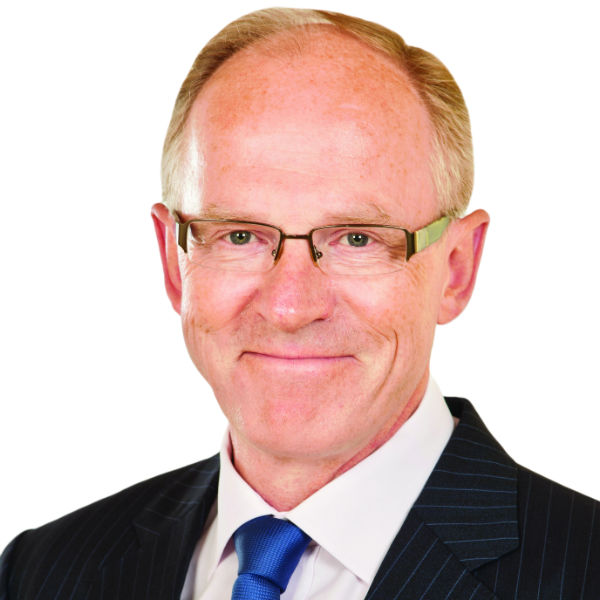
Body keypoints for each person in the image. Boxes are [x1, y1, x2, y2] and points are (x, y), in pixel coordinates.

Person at [1, 7, 598, 599]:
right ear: (173, 261)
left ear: (457, 269)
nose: (290, 307)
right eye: (240, 235)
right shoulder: (41, 573)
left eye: (357, 239)